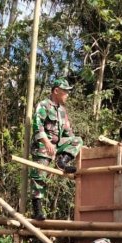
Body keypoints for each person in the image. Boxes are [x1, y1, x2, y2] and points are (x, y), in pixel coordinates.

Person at [29, 78, 84, 221]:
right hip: (43, 146)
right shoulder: (44, 105)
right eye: (65, 91)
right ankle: (37, 210)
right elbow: (37, 125)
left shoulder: (62, 111)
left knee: (78, 140)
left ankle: (62, 161)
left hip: (57, 146)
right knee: (39, 176)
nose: (67, 94)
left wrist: (78, 147)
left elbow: (68, 133)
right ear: (56, 91)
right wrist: (46, 142)